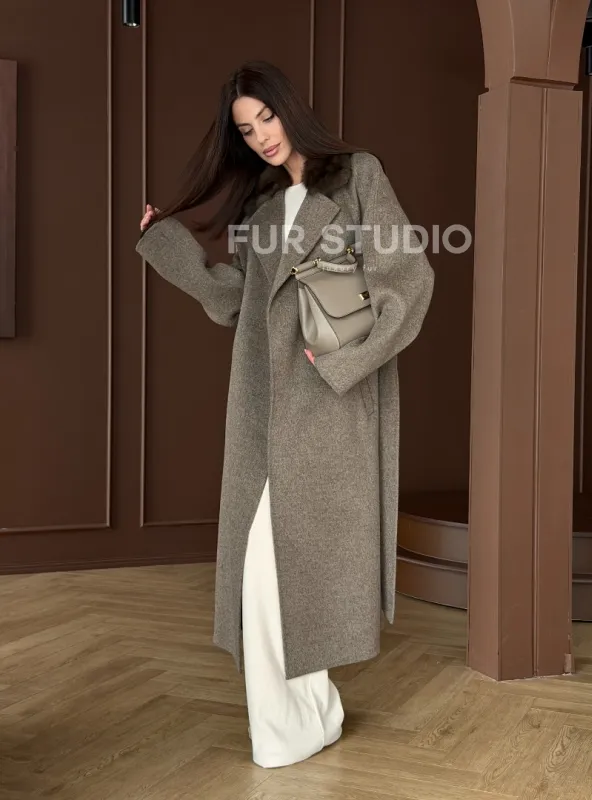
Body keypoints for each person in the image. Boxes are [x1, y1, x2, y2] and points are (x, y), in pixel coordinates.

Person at [137, 60, 434, 769]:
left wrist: (340, 358)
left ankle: (298, 724)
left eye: (266, 118)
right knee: (262, 573)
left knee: (292, 567)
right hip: (264, 407)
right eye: (246, 129)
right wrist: (169, 247)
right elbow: (233, 302)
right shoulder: (264, 206)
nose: (262, 136)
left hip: (331, 404)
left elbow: (408, 279)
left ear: (289, 110)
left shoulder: (357, 176)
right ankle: (307, 714)